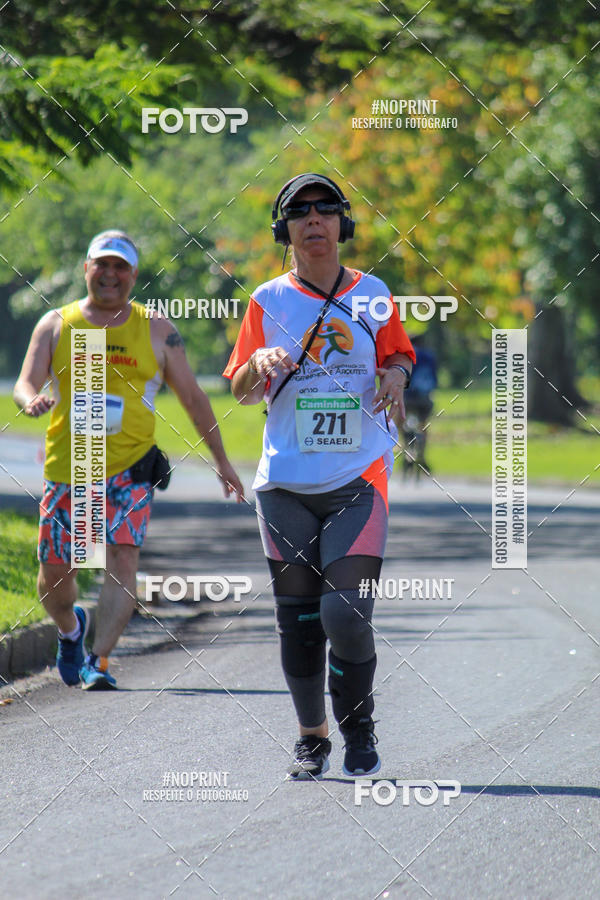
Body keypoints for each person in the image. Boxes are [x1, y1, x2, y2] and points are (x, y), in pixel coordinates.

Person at [224, 174, 415, 778]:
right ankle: (312, 737)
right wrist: (257, 362)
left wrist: (396, 377)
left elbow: (400, 353)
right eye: (300, 213)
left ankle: (358, 723)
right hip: (284, 486)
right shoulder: (268, 301)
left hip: (358, 478)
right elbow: (237, 385)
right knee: (300, 622)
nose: (314, 220)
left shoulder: (374, 292)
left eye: (325, 210)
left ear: (342, 224)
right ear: (286, 231)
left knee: (345, 615)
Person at [13, 230, 244, 690]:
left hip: (131, 469)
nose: (111, 275)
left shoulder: (157, 329)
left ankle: (98, 661)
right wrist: (31, 399)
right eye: (103, 265)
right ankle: (70, 630)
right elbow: (25, 382)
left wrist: (222, 461)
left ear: (133, 275)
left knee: (122, 556)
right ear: (86, 269)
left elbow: (194, 399)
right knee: (56, 574)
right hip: (72, 466)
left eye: (121, 267)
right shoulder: (57, 323)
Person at [396, 333, 437, 475]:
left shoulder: (408, 355)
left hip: (408, 397)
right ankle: (422, 455)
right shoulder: (430, 356)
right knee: (424, 425)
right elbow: (434, 377)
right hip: (424, 397)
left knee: (399, 420)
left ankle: (405, 446)